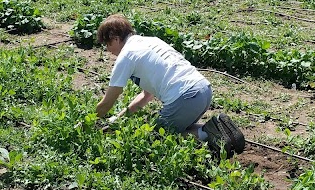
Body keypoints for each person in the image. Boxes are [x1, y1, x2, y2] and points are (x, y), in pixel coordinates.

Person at [94, 14, 245, 158]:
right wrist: (119, 119)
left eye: (107, 44)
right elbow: (146, 96)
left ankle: (210, 134)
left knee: (156, 136)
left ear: (115, 38)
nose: (108, 50)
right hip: (203, 90)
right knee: (178, 129)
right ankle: (220, 128)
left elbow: (108, 102)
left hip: (185, 98)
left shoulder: (126, 56)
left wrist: (88, 123)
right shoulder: (150, 41)